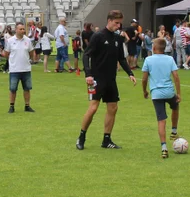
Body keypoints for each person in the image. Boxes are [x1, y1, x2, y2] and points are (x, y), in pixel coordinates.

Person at [77, 10, 136, 150]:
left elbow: (121, 58)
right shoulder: (98, 36)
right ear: (109, 21)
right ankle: (81, 137)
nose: (118, 26)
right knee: (93, 108)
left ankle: (106, 139)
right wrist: (88, 74)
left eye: (120, 23)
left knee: (113, 108)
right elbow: (86, 55)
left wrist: (130, 73)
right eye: (116, 23)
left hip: (111, 80)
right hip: (96, 79)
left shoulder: (117, 38)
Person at [140, 37, 181, 158]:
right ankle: (174, 131)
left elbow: (144, 79)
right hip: (169, 92)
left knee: (161, 120)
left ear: (153, 48)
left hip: (156, 94)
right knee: (175, 106)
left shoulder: (148, 59)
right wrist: (178, 93)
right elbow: (176, 76)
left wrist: (144, 91)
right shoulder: (169, 59)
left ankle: (164, 147)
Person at [3, 22, 36, 113]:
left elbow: (31, 52)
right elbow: (6, 53)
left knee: (27, 88)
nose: (22, 31)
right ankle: (11, 106)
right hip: (14, 69)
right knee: (13, 89)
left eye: (23, 29)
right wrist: (13, 61)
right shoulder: (10, 41)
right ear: (16, 30)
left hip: (26, 68)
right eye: (20, 29)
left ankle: (27, 105)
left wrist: (28, 60)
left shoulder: (28, 40)